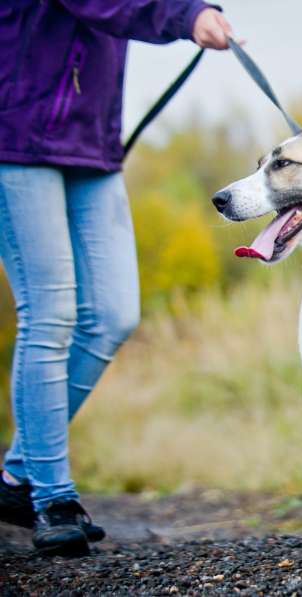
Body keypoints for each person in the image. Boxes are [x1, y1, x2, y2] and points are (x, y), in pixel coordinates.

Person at [0, 0, 235, 554]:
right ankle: (53, 498)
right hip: (17, 137)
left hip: (92, 146)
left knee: (112, 315)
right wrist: (186, 16)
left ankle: (16, 476)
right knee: (50, 314)